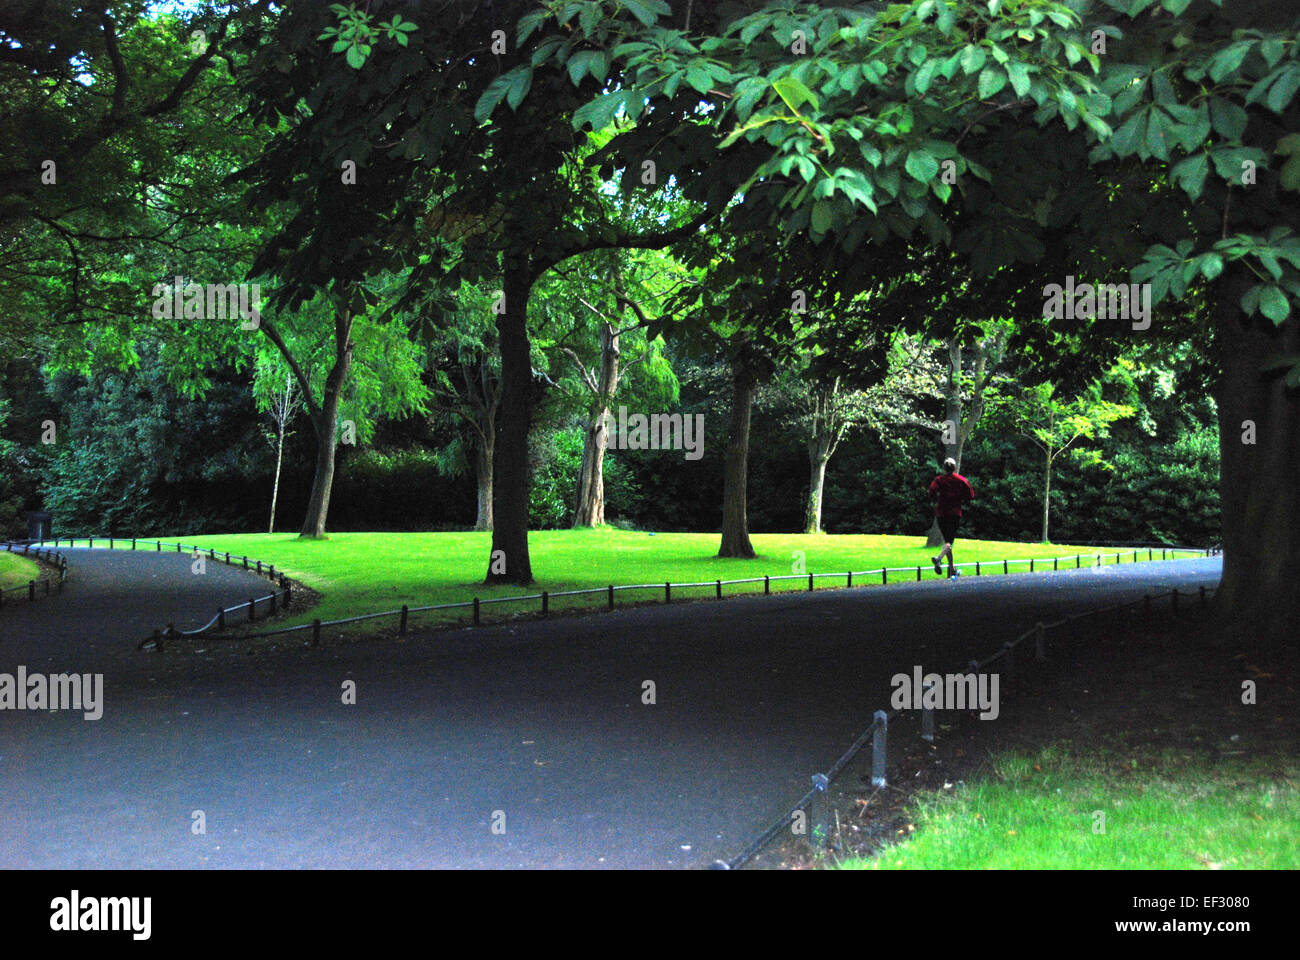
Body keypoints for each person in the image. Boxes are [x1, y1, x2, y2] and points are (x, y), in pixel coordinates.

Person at [928, 458, 974, 578]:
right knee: (949, 542)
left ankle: (952, 570)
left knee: (947, 542)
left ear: (944, 468)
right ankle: (939, 558)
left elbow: (931, 491)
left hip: (941, 513)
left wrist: (935, 499)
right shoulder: (961, 480)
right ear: (954, 468)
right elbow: (970, 495)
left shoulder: (939, 480)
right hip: (954, 513)